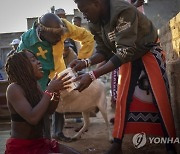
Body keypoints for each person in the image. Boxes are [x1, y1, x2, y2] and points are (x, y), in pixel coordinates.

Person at [71, 0, 176, 153]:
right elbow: (104, 50)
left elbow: (125, 51)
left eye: (85, 10)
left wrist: (92, 75)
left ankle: (170, 145)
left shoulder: (122, 11)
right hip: (127, 57)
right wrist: (85, 62)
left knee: (160, 96)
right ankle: (117, 142)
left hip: (147, 50)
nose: (84, 16)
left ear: (97, 3)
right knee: (122, 98)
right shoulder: (95, 22)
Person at [17, 12, 94, 141]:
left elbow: (88, 37)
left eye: (61, 35)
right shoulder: (27, 41)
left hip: (57, 72)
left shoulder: (64, 27)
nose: (60, 38)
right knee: (40, 105)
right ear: (42, 31)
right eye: (56, 36)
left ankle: (57, 133)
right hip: (37, 76)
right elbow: (20, 65)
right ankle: (41, 137)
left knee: (58, 101)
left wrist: (81, 59)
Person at [5, 49, 80, 154]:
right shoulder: (14, 89)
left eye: (36, 59)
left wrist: (56, 93)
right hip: (23, 149)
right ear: (22, 67)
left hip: (40, 143)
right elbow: (33, 118)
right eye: (33, 60)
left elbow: (48, 111)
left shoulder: (35, 86)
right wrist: (49, 90)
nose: (38, 62)